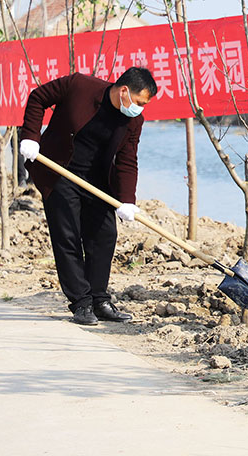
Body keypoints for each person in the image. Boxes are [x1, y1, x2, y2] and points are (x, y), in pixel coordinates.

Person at [19, 67, 157, 326]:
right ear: (124, 90)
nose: (139, 109)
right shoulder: (79, 86)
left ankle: (99, 299)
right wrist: (30, 137)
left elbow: (127, 160)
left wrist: (128, 199)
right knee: (68, 236)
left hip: (97, 181)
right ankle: (81, 303)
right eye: (139, 102)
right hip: (59, 172)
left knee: (105, 235)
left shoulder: (133, 121)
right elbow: (38, 97)